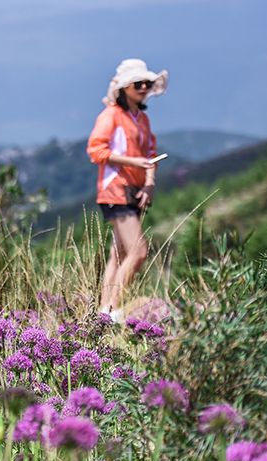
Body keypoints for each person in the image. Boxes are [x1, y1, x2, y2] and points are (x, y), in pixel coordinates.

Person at [87, 59, 169, 319]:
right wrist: (134, 162)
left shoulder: (141, 118)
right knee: (138, 252)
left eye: (148, 83)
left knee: (120, 253)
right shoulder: (111, 115)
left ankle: (103, 312)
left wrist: (149, 182)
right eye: (138, 83)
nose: (144, 87)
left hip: (135, 190)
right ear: (124, 87)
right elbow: (96, 150)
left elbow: (151, 152)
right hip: (115, 190)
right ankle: (112, 311)